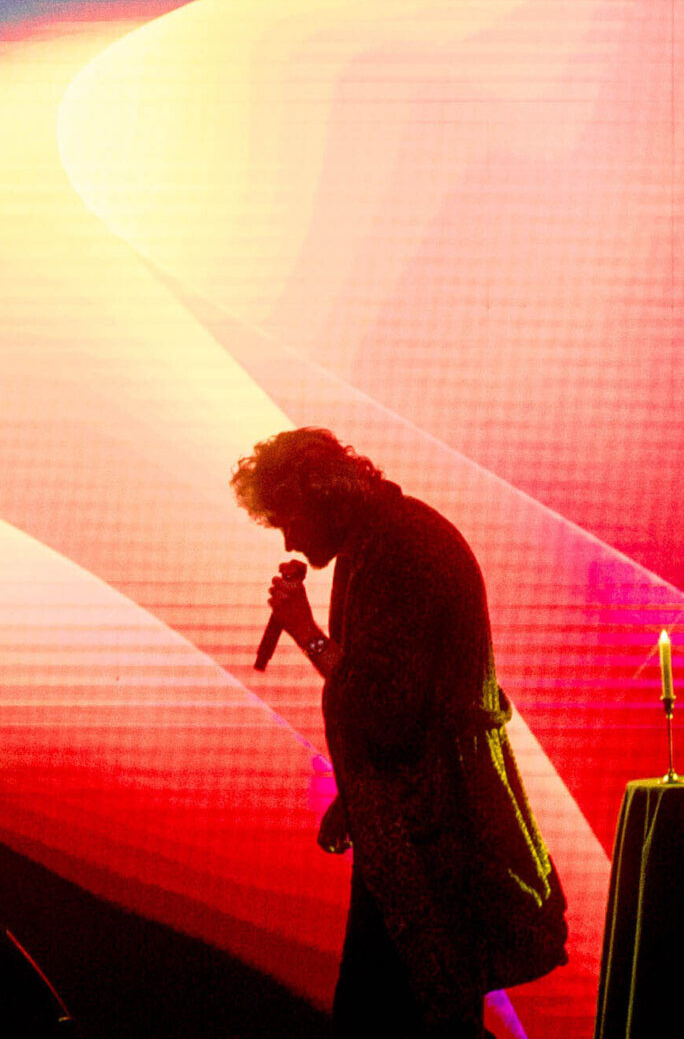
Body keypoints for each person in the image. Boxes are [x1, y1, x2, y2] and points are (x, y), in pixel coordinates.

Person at [231, 426, 568, 1037]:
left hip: (430, 836)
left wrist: (306, 632)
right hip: (411, 826)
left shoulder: (399, 551)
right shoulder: (381, 539)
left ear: (323, 497)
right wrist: (356, 796)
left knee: (400, 1015)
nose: (289, 540)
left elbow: (384, 705)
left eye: (289, 519)